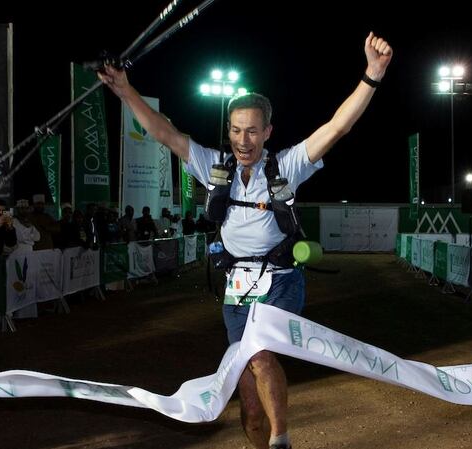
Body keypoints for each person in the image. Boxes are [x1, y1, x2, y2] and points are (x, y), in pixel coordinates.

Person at [99, 32, 392, 449]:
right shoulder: (214, 166)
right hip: (236, 289)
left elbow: (338, 127)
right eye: (236, 131)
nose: (243, 141)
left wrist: (372, 74)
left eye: (252, 132)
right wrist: (126, 90)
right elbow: (164, 133)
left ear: (268, 131)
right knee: (249, 399)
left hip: (282, 281)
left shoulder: (288, 165)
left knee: (260, 356)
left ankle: (281, 440)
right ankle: (263, 436)